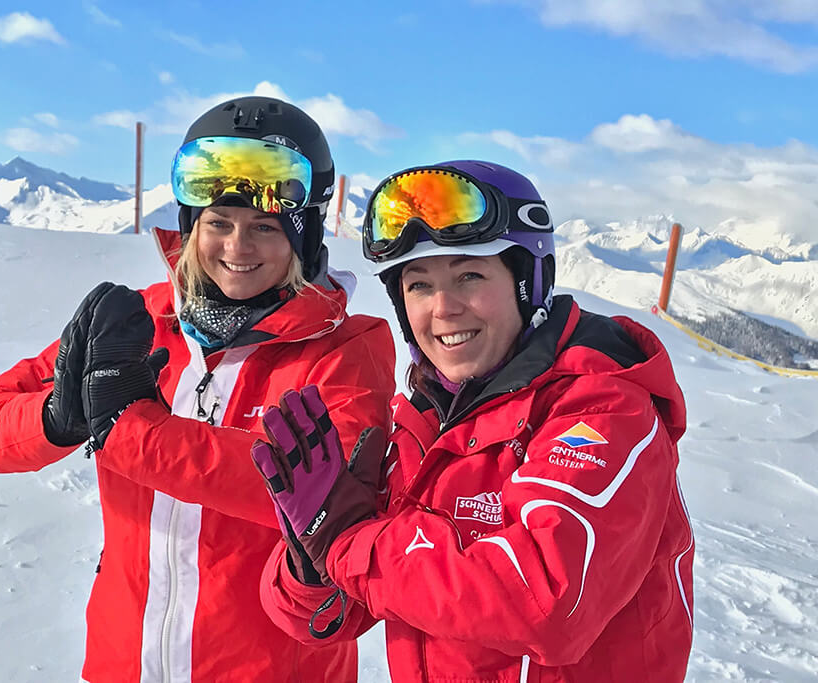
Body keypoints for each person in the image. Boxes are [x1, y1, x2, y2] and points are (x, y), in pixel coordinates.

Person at [0, 96, 395, 683]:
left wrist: (129, 426)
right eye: (219, 223)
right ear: (191, 226)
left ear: (303, 237)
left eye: (264, 227)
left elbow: (308, 493)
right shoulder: (137, 326)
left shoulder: (344, 346)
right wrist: (59, 417)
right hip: (122, 662)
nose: (238, 248)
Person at [252, 160, 695, 682]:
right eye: (418, 286)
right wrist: (314, 554)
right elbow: (326, 616)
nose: (443, 309)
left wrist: (348, 546)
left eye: (469, 275)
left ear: (528, 283)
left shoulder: (602, 412)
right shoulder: (422, 418)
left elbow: (545, 606)